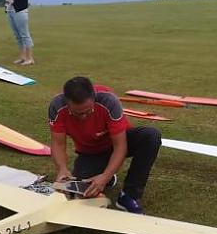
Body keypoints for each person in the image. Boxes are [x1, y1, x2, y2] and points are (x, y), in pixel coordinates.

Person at [48, 77, 162, 214]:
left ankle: (129, 195)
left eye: (88, 111)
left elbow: (120, 146)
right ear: (67, 103)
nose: (84, 117)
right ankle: (105, 175)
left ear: (93, 97)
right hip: (90, 151)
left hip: (117, 143)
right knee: (81, 191)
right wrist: (62, 169)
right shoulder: (57, 106)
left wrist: (105, 177)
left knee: (151, 136)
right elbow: (58, 143)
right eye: (78, 113)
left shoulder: (109, 101)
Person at [4, 0, 35, 65]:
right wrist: (7, 1)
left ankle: (30, 58)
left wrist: (12, 0)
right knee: (18, 35)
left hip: (20, 11)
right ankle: (22, 57)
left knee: (24, 35)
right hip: (10, 11)